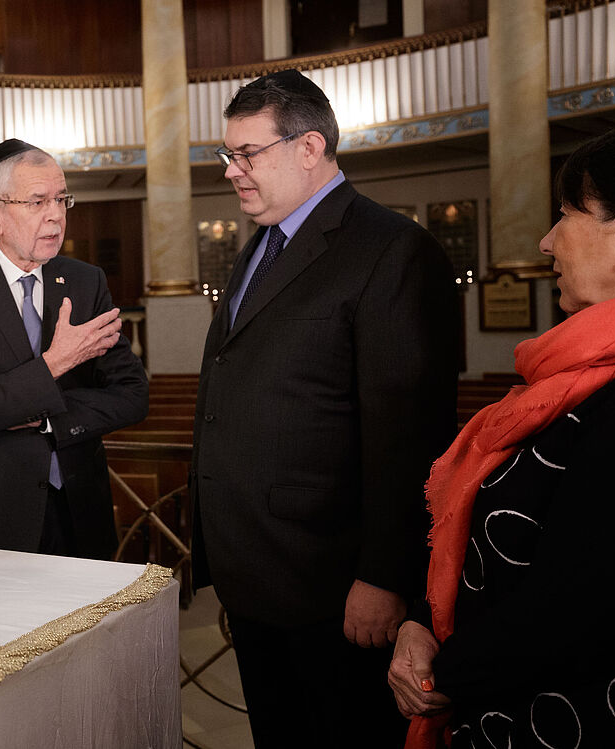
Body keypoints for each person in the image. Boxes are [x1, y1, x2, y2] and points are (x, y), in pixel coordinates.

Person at [190, 70, 460, 747]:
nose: (231, 171)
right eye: (227, 155)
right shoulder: (261, 243)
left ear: (308, 147)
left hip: (334, 584)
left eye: (245, 153)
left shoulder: (391, 249)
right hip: (254, 573)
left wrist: (383, 575)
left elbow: (408, 435)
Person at [389, 119, 615, 749]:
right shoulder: (600, 376)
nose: (546, 241)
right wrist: (419, 622)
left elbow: (576, 607)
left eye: (567, 213)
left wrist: (439, 669)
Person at [0, 138, 148, 560]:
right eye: (38, 202)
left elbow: (132, 395)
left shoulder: (85, 281)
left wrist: (41, 415)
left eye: (62, 200)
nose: (56, 216)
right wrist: (55, 364)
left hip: (82, 506)